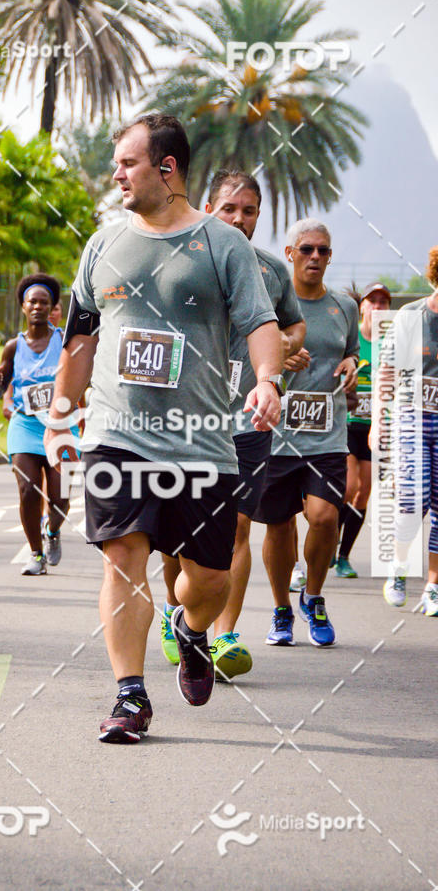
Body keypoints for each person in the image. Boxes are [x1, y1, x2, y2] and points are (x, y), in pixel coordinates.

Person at [45, 114, 283, 743]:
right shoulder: (102, 244)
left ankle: (193, 628)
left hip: (201, 435)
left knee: (206, 580)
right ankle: (130, 695)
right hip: (117, 433)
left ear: (166, 168)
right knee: (123, 560)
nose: (116, 174)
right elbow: (81, 336)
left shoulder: (221, 243)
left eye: (127, 162)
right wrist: (61, 414)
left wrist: (267, 380)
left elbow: (260, 322)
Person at [159, 169, 305, 680]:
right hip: (186, 419)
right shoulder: (179, 261)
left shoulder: (269, 271)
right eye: (229, 209)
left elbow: (292, 321)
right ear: (209, 207)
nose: (239, 219)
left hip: (247, 420)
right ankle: (177, 612)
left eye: (249, 211)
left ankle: (222, 637)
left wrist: (281, 351)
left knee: (238, 524)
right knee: (177, 532)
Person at [253, 218, 359, 647]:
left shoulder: (345, 307)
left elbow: (351, 351)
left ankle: (313, 596)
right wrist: (278, 357)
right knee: (278, 527)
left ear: (330, 256)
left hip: (327, 435)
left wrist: (353, 363)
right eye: (307, 249)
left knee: (324, 515)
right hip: (276, 434)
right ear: (290, 254)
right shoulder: (267, 307)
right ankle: (281, 609)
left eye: (323, 251)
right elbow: (247, 355)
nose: (315, 257)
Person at [0, 273, 79, 575]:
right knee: (28, 490)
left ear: (52, 306)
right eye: (32, 302)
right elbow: (2, 383)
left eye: (44, 302)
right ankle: (36, 554)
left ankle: (52, 532)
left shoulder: (65, 341)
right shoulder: (13, 346)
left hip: (62, 426)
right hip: (25, 425)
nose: (38, 306)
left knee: (60, 497)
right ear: (23, 307)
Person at [378, 247, 438, 616]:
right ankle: (399, 567)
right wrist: (380, 424)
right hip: (412, 415)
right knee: (414, 497)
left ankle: (433, 584)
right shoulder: (411, 315)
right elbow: (385, 371)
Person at [334, 283, 391, 578]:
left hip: (375, 427)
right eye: (373, 301)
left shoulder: (393, 342)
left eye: (384, 302)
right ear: (363, 307)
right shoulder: (351, 336)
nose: (379, 307)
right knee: (347, 487)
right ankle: (329, 542)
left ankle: (343, 556)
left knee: (363, 492)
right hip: (348, 423)